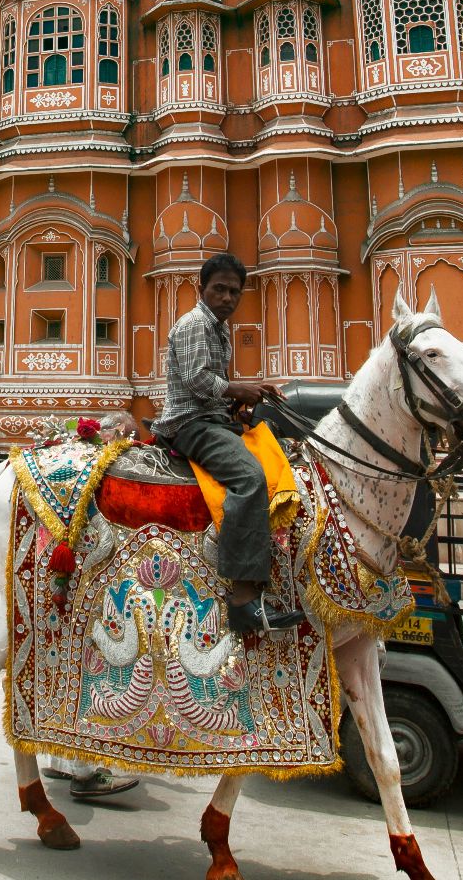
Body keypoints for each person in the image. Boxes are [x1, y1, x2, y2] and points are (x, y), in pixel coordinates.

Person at [155, 252, 296, 637]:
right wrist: (241, 388)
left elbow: (214, 389)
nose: (227, 298)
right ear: (202, 288)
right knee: (250, 477)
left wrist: (245, 397)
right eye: (219, 289)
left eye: (234, 292)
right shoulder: (194, 324)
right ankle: (242, 600)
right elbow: (198, 381)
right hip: (190, 424)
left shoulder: (218, 328)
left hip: (212, 418)